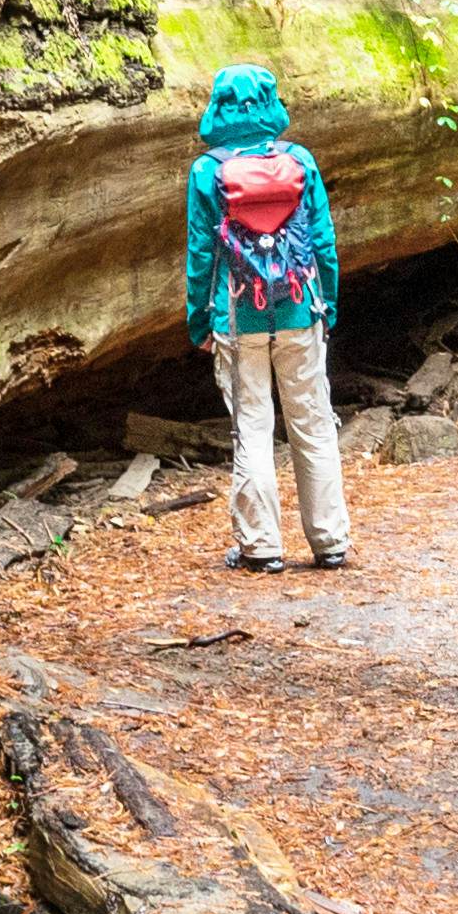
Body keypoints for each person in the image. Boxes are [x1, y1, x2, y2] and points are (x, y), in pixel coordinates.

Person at [182, 63, 349, 572]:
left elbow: (201, 254)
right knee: (313, 424)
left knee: (252, 428)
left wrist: (198, 321)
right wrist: (331, 302)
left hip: (237, 319)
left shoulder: (207, 171)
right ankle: (330, 541)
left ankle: (261, 547)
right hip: (301, 311)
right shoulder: (299, 160)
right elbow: (322, 241)